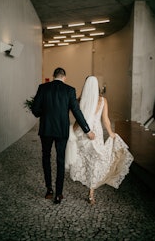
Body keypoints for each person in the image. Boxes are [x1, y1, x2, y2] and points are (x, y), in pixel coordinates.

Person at [65, 76, 134, 205]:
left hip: (83, 133)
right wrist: (110, 133)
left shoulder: (79, 100)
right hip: (96, 133)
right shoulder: (102, 100)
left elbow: (77, 120)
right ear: (97, 86)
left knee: (84, 158)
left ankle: (86, 180)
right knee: (96, 160)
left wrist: (71, 133)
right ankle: (91, 193)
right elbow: (105, 119)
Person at [32, 68, 95, 204]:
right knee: (60, 160)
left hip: (46, 129)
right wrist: (87, 130)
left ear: (53, 76)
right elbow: (76, 112)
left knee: (46, 157)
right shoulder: (69, 90)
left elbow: (35, 110)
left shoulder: (43, 88)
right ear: (64, 77)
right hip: (61, 131)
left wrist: (45, 111)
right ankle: (59, 194)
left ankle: (49, 189)